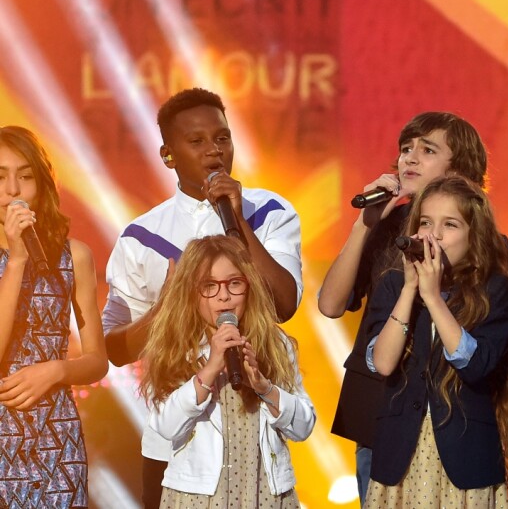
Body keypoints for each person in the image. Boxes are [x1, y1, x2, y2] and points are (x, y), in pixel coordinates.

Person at [102, 87, 303, 508]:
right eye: (196, 141)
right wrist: (168, 307)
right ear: (168, 154)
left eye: (222, 138)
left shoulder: (269, 212)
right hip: (176, 447)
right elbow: (115, 349)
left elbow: (284, 305)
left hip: (256, 439)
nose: (214, 151)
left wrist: (237, 220)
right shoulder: (142, 238)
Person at [318, 112, 489, 504]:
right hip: (380, 406)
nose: (409, 158)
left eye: (427, 150)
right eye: (405, 149)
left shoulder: (482, 241)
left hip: (448, 415)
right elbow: (330, 304)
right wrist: (365, 224)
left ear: (460, 170)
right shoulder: (383, 226)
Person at [362, 176, 508, 507]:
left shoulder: (495, 291)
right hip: (400, 459)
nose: (432, 235)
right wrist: (411, 290)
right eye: (425, 222)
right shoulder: (395, 286)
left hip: (466, 461)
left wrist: (434, 298)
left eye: (449, 225)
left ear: (474, 236)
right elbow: (381, 362)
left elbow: (476, 364)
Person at [140, 235, 315, 507]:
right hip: (199, 497)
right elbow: (165, 426)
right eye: (209, 286)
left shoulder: (274, 344)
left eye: (234, 283)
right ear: (191, 292)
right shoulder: (177, 347)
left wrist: (264, 388)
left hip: (264, 493)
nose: (224, 295)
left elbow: (304, 426)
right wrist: (209, 369)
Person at [0, 126, 109, 507]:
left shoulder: (73, 256)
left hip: (56, 438)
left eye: (26, 176)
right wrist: (15, 262)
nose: (13, 189)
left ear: (43, 184)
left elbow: (98, 360)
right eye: (0, 177)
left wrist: (56, 370)